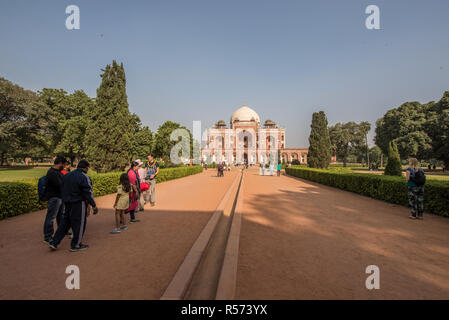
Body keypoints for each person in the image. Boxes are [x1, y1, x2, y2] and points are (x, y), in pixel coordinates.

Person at [49, 160, 98, 252]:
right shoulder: (84, 177)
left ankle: (54, 242)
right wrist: (93, 205)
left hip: (67, 202)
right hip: (79, 202)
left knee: (65, 223)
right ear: (86, 168)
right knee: (79, 223)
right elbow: (88, 192)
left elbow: (62, 188)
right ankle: (76, 244)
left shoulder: (67, 175)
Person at [43, 156, 66, 244]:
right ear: (60, 163)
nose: (64, 167)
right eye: (63, 165)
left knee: (60, 216)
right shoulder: (52, 173)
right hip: (54, 197)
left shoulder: (57, 172)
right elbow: (60, 185)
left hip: (59, 197)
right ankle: (48, 236)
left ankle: (60, 232)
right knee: (51, 217)